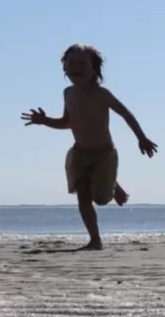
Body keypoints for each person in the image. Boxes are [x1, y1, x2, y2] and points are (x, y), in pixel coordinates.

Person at [21, 44, 158, 250]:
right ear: (64, 68)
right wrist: (45, 120)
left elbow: (125, 113)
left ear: (94, 68)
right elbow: (67, 123)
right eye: (71, 63)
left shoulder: (101, 94)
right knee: (83, 195)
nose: (76, 67)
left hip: (104, 154)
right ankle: (95, 240)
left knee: (101, 199)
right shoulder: (68, 93)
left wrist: (142, 138)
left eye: (82, 63)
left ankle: (112, 184)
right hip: (79, 153)